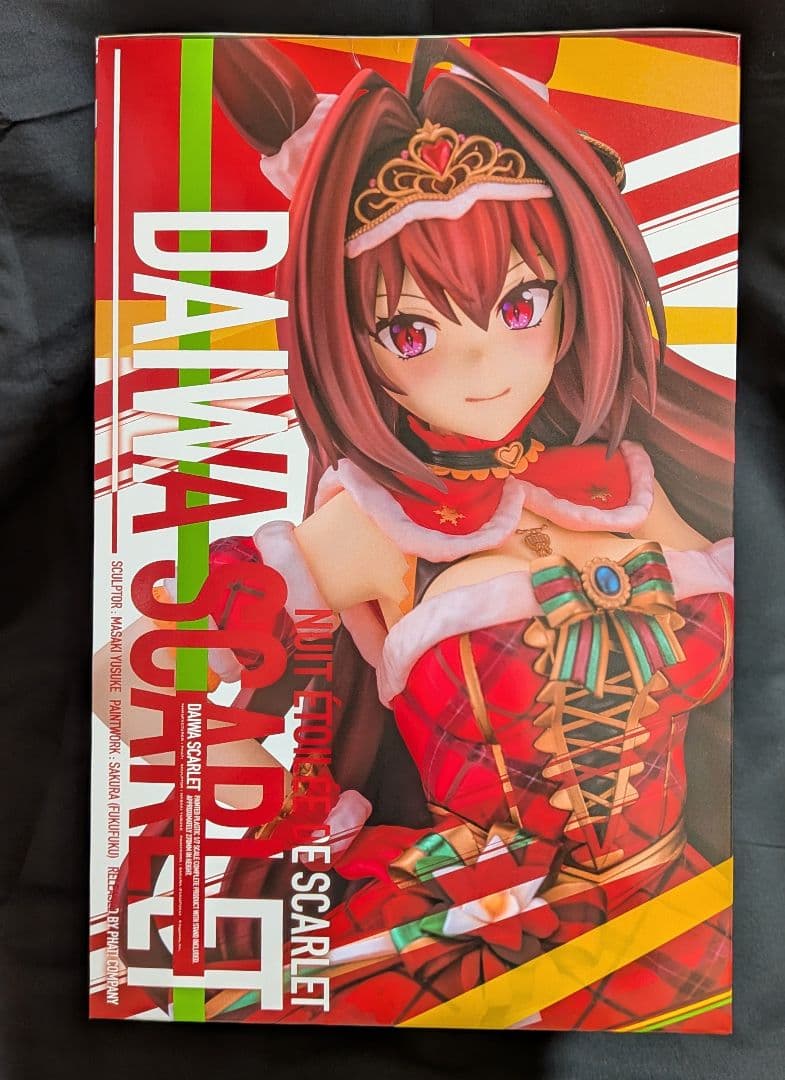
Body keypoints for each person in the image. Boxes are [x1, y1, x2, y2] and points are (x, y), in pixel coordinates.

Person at [108, 36, 735, 1029]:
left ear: (575, 297)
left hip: (684, 917)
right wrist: (283, 804)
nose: (483, 367)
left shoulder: (642, 482)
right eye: (411, 331)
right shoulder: (376, 522)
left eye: (520, 304)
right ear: (348, 346)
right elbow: (131, 675)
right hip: (471, 934)